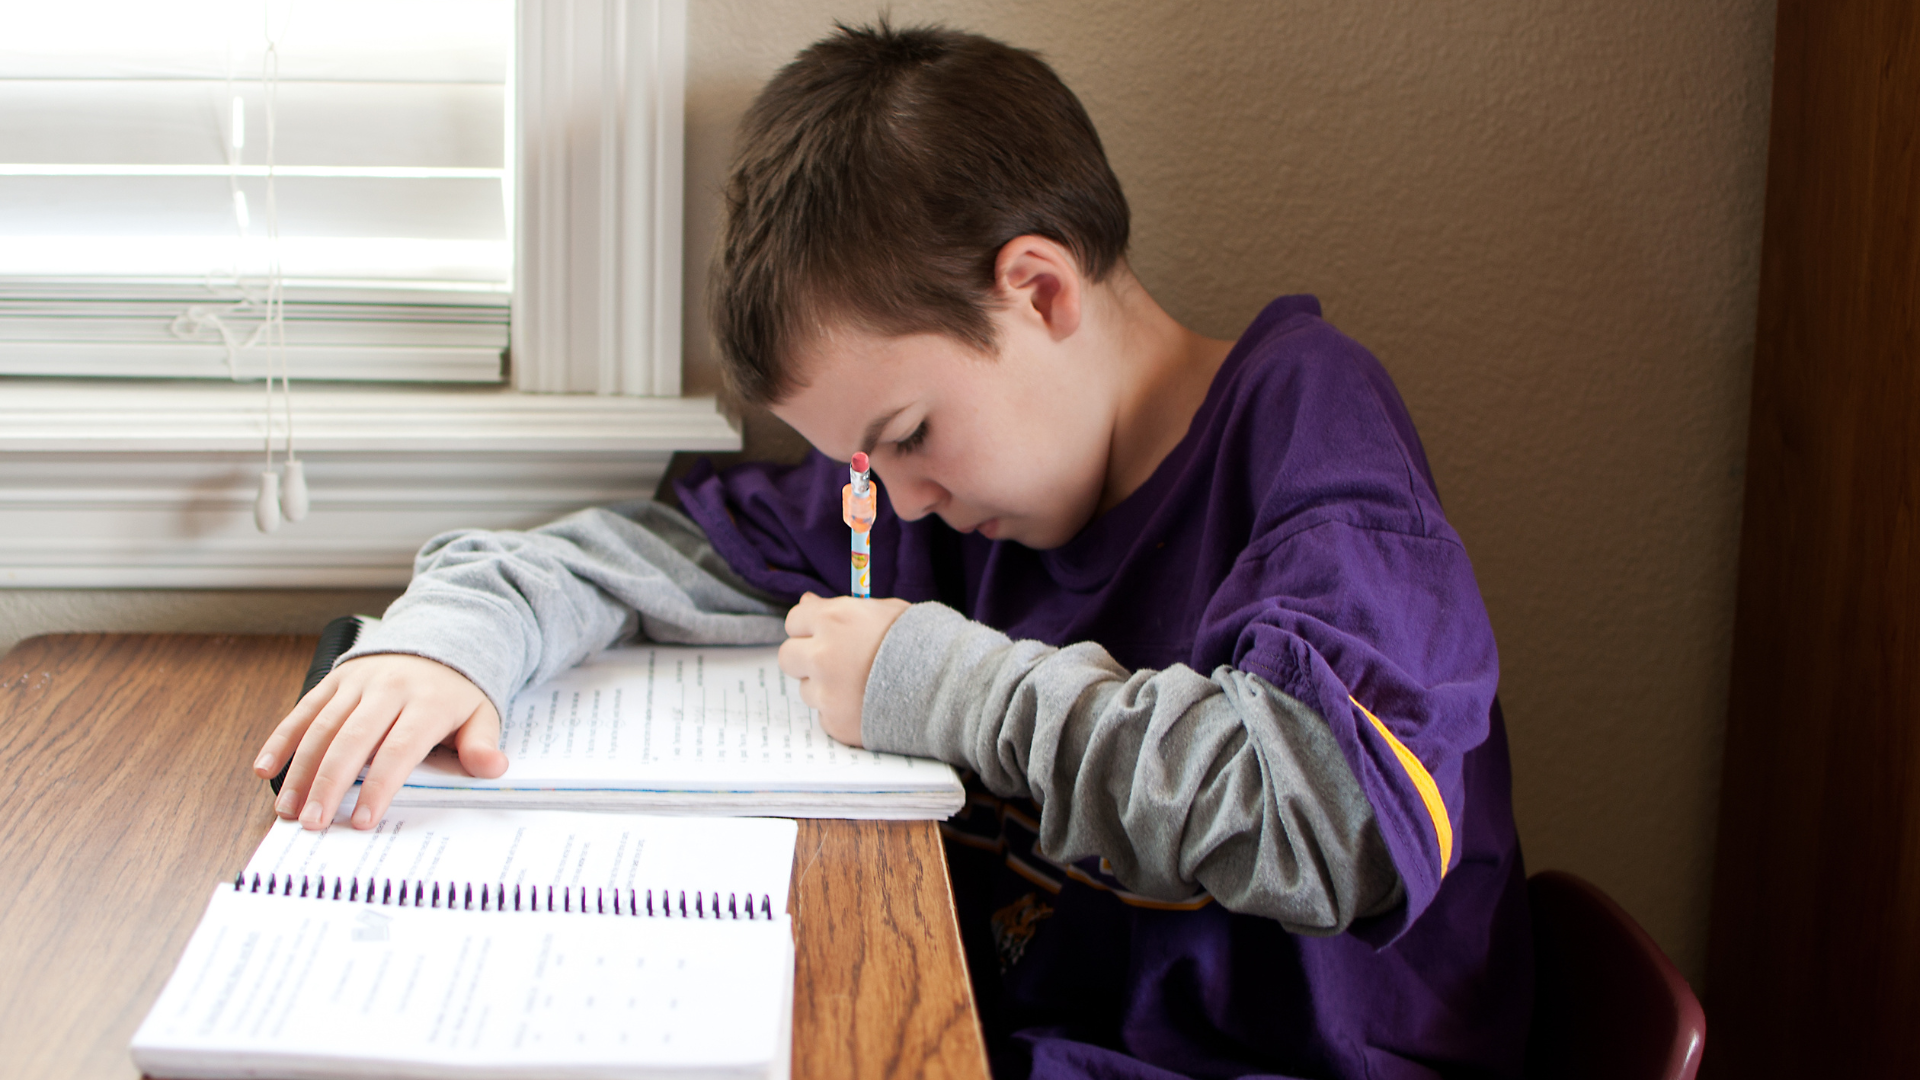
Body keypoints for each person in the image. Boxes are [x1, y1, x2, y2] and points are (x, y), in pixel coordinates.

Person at [254, 21, 1531, 1080]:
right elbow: (636, 556)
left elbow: (1333, 815)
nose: (901, 507)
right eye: (868, 467)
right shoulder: (934, 501)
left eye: (910, 435)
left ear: (1037, 291)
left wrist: (944, 681)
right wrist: (449, 646)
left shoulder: (1307, 422)